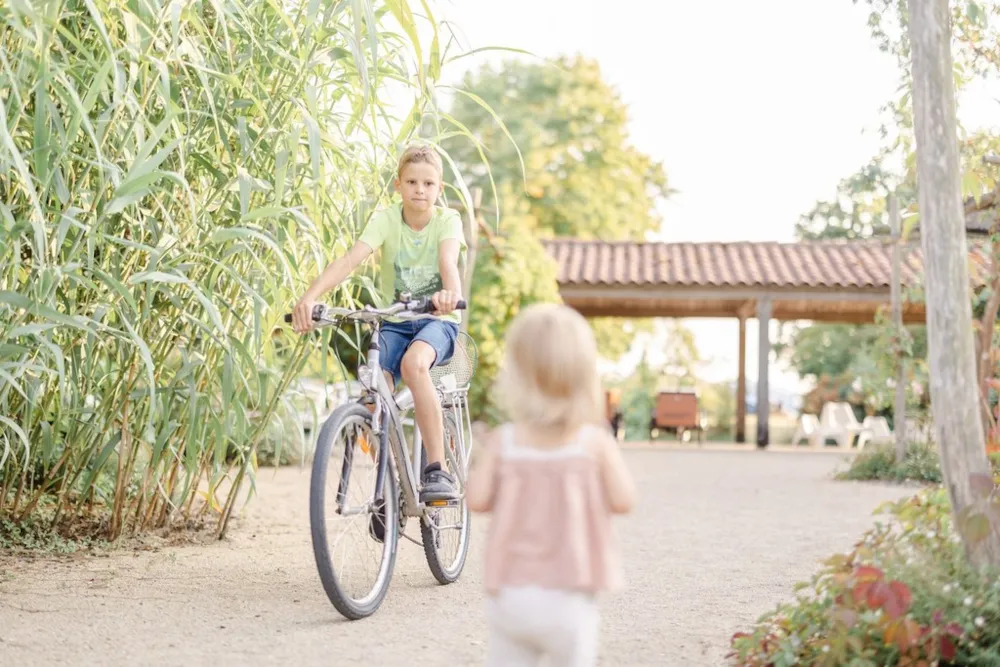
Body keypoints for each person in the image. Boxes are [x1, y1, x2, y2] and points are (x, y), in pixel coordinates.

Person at [291, 143, 466, 504]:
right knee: (373, 390)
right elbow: (350, 260)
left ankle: (437, 469)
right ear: (398, 185)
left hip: (436, 320)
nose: (420, 190)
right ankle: (390, 481)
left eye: (428, 184)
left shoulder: (447, 220)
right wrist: (309, 298)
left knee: (414, 365)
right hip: (395, 322)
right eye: (412, 182)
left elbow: (448, 260)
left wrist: (450, 294)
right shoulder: (386, 219)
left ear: (440, 189)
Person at [467, 303, 637, 667]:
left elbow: (477, 500)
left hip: (510, 594)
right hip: (569, 593)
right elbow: (624, 500)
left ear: (516, 377)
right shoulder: (595, 444)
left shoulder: (503, 442)